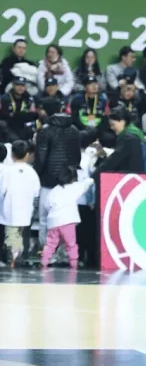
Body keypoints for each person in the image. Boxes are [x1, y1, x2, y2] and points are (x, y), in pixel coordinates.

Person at [34, 98, 81, 246]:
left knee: (44, 219)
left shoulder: (44, 130)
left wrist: (37, 175)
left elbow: (40, 158)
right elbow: (77, 157)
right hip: (68, 182)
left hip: (48, 181)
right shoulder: (74, 130)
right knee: (66, 219)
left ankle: (46, 251)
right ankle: (64, 252)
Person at [41, 166, 94, 269]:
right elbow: (86, 183)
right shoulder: (75, 187)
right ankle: (73, 264)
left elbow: (46, 205)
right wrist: (93, 177)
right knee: (71, 244)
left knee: (50, 244)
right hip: (67, 221)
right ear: (74, 178)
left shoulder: (54, 190)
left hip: (53, 222)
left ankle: (44, 261)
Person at [0, 140, 39, 268]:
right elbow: (36, 193)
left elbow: (1, 191)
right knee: (24, 235)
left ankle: (13, 258)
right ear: (27, 154)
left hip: (9, 211)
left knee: (11, 235)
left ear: (11, 155)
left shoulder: (7, 172)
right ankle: (22, 257)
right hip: (26, 211)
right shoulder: (32, 173)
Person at [93, 108, 146, 174]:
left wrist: (94, 175)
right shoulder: (132, 132)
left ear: (122, 122)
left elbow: (113, 161)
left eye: (113, 124)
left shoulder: (128, 138)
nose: (111, 128)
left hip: (130, 176)